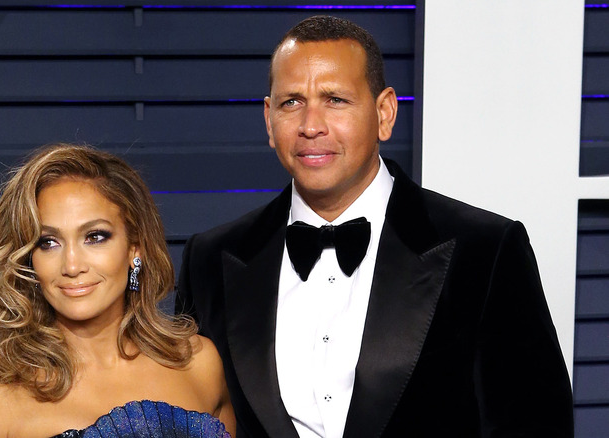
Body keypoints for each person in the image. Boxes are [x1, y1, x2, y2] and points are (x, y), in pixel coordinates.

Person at [176, 16, 573, 438]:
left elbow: (536, 426)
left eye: (335, 100)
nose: (311, 125)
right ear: (269, 119)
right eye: (291, 101)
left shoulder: (486, 250)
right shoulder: (210, 259)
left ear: (385, 113)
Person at [0, 144, 235, 438]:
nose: (72, 266)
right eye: (48, 242)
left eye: (95, 237)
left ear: (134, 248)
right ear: (29, 259)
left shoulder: (199, 364)